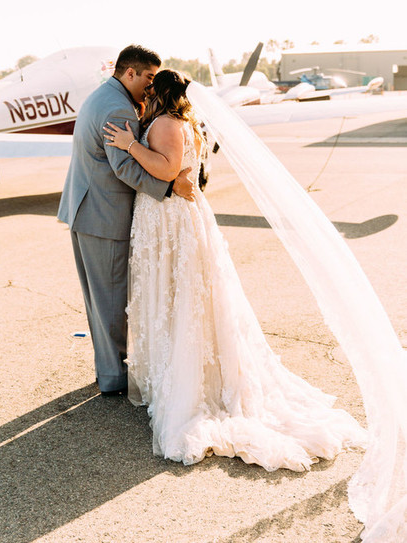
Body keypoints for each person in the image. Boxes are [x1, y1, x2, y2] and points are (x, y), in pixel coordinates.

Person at [104, 69, 367, 469]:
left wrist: (129, 146)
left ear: (160, 93)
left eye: (151, 88)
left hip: (170, 218)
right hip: (175, 216)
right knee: (179, 296)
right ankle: (174, 372)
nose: (146, 93)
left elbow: (168, 169)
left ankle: (188, 383)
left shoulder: (167, 124)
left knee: (179, 295)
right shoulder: (183, 122)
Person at [58, 46, 194, 397]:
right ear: (129, 72)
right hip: (104, 215)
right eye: (148, 77)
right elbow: (124, 168)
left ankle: (108, 371)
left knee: (99, 300)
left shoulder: (103, 95)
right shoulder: (118, 108)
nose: (151, 86)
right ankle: (114, 378)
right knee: (111, 301)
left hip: (86, 209)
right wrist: (170, 187)